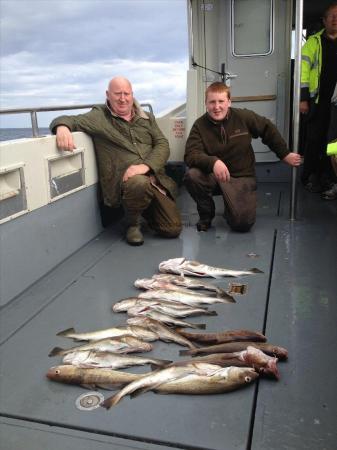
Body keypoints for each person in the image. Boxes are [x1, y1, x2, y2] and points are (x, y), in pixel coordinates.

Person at [50, 76, 182, 245]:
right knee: (139, 183)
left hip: (154, 179)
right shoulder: (98, 116)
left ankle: (144, 209)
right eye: (117, 93)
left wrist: (145, 166)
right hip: (125, 183)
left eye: (126, 93)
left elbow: (162, 144)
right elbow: (71, 120)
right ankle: (132, 224)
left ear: (132, 94)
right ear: (108, 94)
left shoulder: (147, 117)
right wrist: (61, 127)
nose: (122, 98)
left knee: (172, 229)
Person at [184, 82, 301, 232]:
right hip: (215, 176)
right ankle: (206, 215)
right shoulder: (199, 125)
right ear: (206, 103)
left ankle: (231, 208)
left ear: (229, 102)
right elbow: (191, 154)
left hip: (241, 177)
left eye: (221, 101)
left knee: (242, 224)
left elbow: (267, 129)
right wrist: (213, 162)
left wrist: (284, 154)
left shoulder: (243, 117)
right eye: (212, 102)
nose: (217, 107)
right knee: (192, 176)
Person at [300, 2, 337, 198]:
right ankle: (308, 177)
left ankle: (329, 178)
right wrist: (304, 99)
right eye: (331, 15)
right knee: (314, 140)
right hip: (318, 101)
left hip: (336, 104)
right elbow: (303, 72)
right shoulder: (313, 42)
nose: (335, 19)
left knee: (332, 143)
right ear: (324, 20)